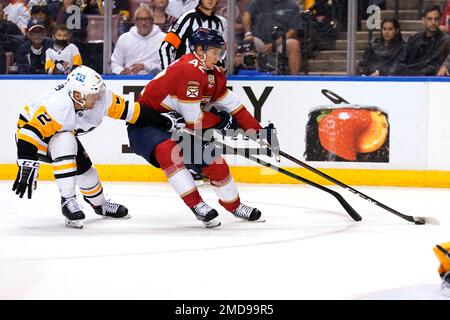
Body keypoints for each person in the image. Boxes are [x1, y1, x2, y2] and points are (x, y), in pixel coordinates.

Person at [128, 28, 278, 228]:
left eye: (220, 52)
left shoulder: (213, 73)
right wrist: (221, 121)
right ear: (200, 50)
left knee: (215, 163)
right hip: (147, 126)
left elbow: (235, 107)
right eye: (215, 52)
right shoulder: (188, 70)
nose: (219, 57)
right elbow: (194, 120)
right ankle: (197, 205)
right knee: (168, 151)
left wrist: (257, 132)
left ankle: (234, 205)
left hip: (178, 125)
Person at [12, 65, 182, 228]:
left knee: (87, 172)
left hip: (60, 132)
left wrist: (165, 122)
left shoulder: (101, 97)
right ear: (78, 95)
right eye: (94, 94)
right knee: (65, 141)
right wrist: (27, 162)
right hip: (33, 139)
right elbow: (28, 133)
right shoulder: (57, 106)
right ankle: (68, 201)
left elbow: (134, 113)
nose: (99, 97)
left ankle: (100, 205)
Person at [159, 0, 226, 70]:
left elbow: (219, 51)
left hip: (206, 75)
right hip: (184, 72)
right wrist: (168, 73)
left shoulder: (218, 23)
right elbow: (166, 47)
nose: (211, 0)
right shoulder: (188, 18)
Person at [242, 0, 302, 75]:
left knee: (294, 44)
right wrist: (248, 33)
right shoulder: (258, 2)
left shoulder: (292, 5)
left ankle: (294, 79)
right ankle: (250, 76)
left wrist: (274, 44)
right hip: (259, 39)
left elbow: (293, 30)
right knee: (248, 41)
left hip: (280, 41)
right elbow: (246, 15)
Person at [391, 5, 450, 76]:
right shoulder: (415, 38)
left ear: (440, 20)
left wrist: (446, 66)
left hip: (433, 79)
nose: (433, 22)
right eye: (430, 19)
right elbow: (401, 58)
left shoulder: (446, 40)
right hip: (411, 77)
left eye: (436, 19)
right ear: (423, 20)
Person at [111, 3, 165, 75]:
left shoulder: (164, 39)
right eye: (140, 19)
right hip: (129, 80)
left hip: (156, 80)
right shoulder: (124, 38)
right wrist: (121, 71)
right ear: (135, 22)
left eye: (147, 19)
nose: (143, 23)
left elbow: (168, 66)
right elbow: (115, 63)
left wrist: (146, 66)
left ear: (152, 20)